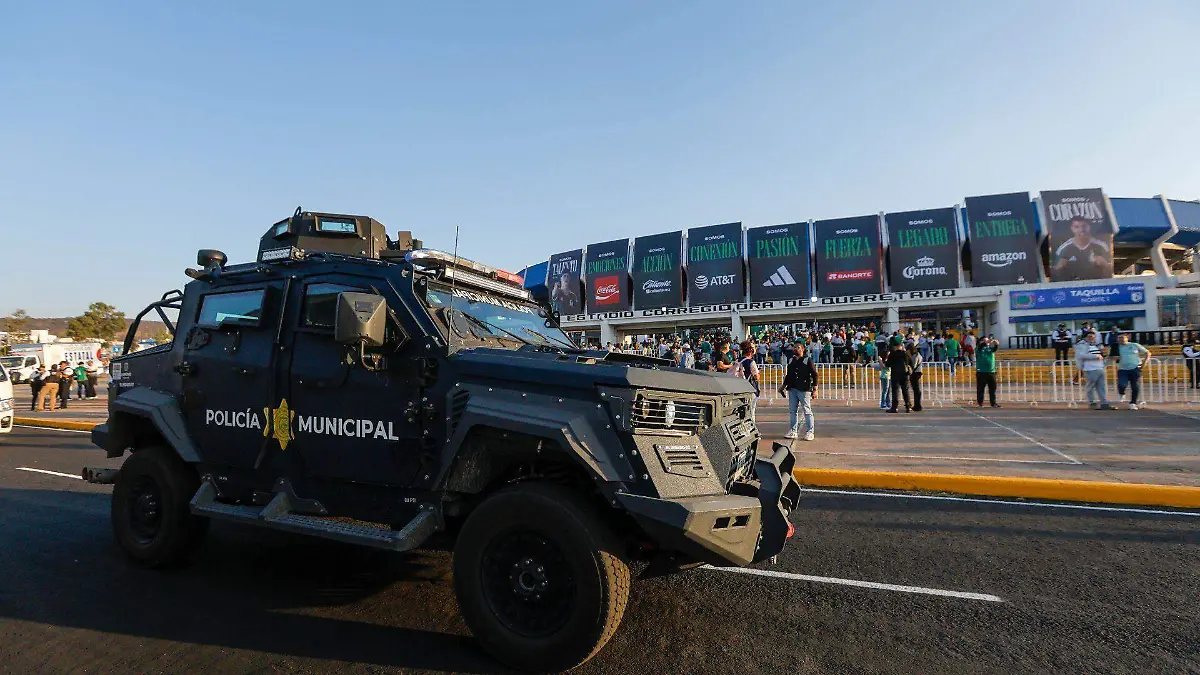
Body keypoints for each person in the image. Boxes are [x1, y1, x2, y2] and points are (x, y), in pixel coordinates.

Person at [1053, 216, 1113, 280]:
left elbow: (1109, 273)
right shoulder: (1063, 249)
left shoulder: (1102, 246)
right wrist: (1060, 268)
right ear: (1072, 228)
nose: (1081, 230)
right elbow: (1055, 274)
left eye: (1084, 226)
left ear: (1089, 227)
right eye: (1076, 227)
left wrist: (1104, 265)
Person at [780, 340, 817, 441]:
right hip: (792, 389)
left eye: (798, 347)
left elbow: (814, 374)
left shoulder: (807, 360)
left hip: (804, 389)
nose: (795, 349)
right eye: (794, 347)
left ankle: (810, 431)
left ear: (803, 349)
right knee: (793, 411)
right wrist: (783, 386)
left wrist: (815, 389)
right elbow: (789, 375)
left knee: (807, 410)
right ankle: (793, 430)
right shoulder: (791, 360)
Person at [1074, 331, 1113, 410]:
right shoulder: (1081, 345)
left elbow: (1102, 355)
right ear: (1085, 337)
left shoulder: (1097, 345)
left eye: (1093, 337)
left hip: (1100, 367)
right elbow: (1081, 356)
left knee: (1102, 387)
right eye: (1089, 337)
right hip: (1090, 368)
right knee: (1090, 387)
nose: (1092, 338)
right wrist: (1095, 357)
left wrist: (1104, 355)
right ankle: (1092, 402)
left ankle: (1104, 403)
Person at [1114, 333, 1150, 410]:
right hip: (1122, 369)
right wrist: (1114, 358)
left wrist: (1144, 363)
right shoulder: (1115, 347)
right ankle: (1122, 393)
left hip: (1135, 368)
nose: (1120, 339)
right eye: (1118, 338)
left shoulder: (1134, 345)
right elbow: (1110, 356)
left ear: (1127, 338)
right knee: (1122, 384)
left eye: (1122, 337)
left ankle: (1133, 403)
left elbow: (1147, 353)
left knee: (1135, 386)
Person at [729, 341, 761, 416]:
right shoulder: (751, 362)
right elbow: (756, 377)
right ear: (751, 350)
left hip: (738, 388)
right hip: (750, 389)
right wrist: (759, 373)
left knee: (740, 411)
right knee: (750, 411)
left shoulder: (737, 360)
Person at [885, 337, 913, 413]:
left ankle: (894, 407)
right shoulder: (906, 354)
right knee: (905, 390)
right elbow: (911, 364)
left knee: (895, 391)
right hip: (905, 374)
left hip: (895, 374)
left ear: (895, 347)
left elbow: (887, 364)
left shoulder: (892, 354)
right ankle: (908, 407)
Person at [975, 336, 1000, 408]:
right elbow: (980, 346)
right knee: (980, 388)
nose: (988, 342)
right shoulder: (978, 349)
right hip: (981, 372)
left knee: (992, 389)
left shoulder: (990, 349)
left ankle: (993, 403)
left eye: (988, 340)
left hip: (991, 371)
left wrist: (996, 344)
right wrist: (985, 342)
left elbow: (994, 349)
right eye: (985, 341)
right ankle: (980, 403)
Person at [908, 342, 924, 412]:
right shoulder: (918, 355)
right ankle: (917, 405)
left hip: (915, 373)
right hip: (917, 372)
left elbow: (913, 365)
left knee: (916, 390)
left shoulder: (915, 355)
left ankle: (917, 405)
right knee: (916, 390)